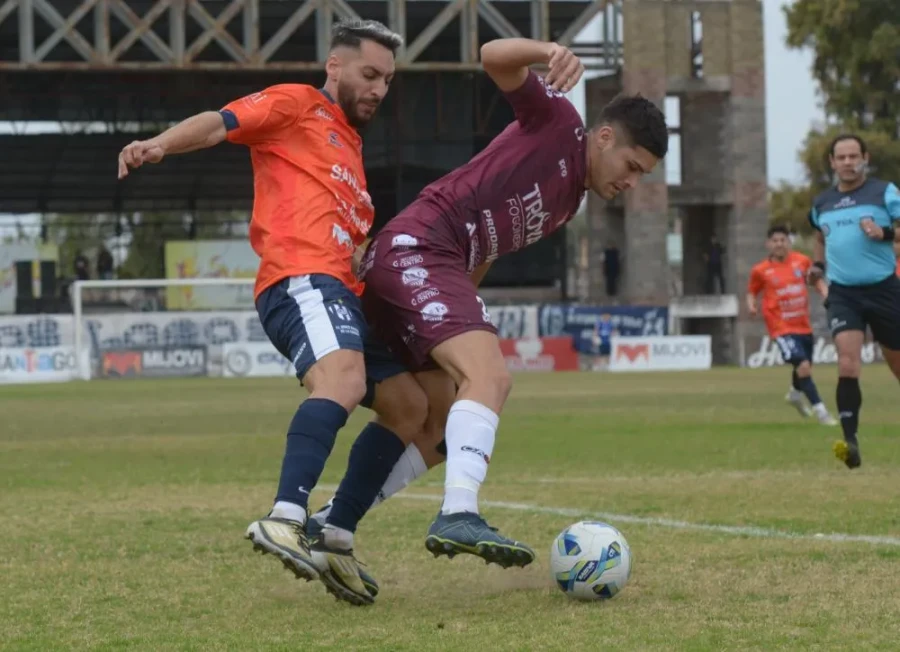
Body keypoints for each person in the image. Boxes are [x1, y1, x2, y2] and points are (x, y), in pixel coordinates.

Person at [312, 37, 668, 571]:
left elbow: (490, 246)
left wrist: (462, 307)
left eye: (642, 175)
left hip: (431, 266)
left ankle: (332, 523)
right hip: (420, 247)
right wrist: (547, 50)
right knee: (492, 379)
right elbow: (491, 54)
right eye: (632, 165)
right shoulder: (559, 122)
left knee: (436, 420)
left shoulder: (570, 199)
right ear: (605, 136)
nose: (631, 182)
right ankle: (459, 512)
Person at [117, 20, 430, 607]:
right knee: (343, 379)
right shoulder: (297, 104)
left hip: (344, 290)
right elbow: (220, 123)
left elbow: (354, 243)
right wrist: (160, 143)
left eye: (387, 80)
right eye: (369, 75)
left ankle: (333, 535)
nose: (379, 90)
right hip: (299, 279)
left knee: (411, 405)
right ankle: (285, 513)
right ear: (335, 67)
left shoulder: (352, 151)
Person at [807, 134, 900, 469]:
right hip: (844, 293)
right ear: (832, 162)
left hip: (885, 289)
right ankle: (850, 441)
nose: (847, 162)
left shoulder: (884, 192)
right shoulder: (822, 204)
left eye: (853, 156)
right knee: (847, 363)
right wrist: (817, 267)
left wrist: (885, 233)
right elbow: (820, 238)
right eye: (841, 157)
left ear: (865, 158)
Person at [747, 225, 837, 425]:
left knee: (804, 367)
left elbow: (816, 281)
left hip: (803, 325)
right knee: (803, 366)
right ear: (768, 244)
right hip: (781, 328)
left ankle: (795, 394)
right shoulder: (760, 270)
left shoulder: (802, 261)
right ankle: (822, 412)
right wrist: (751, 306)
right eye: (775, 241)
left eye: (783, 240)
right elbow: (752, 291)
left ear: (789, 242)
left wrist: (825, 294)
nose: (779, 244)